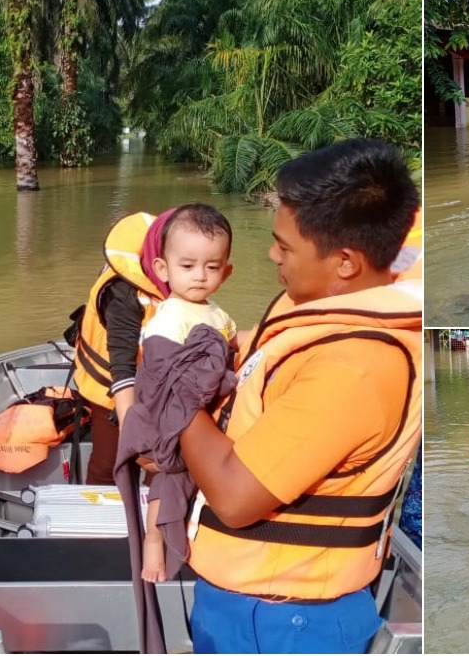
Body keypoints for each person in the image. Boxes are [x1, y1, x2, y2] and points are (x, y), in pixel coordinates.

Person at [173, 138, 422, 654]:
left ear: (346, 262)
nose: (271, 255)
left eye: (284, 247)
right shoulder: (323, 298)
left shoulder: (355, 367)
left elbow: (236, 498)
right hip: (252, 603)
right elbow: (266, 356)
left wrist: (173, 388)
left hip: (283, 620)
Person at [121, 204, 239, 584]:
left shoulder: (218, 315)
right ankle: (154, 539)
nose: (200, 277)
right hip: (166, 416)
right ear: (162, 268)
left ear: (227, 270)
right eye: (187, 266)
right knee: (171, 477)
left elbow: (230, 352)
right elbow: (162, 378)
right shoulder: (170, 317)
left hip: (200, 412)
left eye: (212, 267)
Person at [72, 209, 176, 485]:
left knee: (162, 465)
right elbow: (122, 368)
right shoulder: (122, 294)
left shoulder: (180, 285)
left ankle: (151, 520)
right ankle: (99, 522)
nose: (199, 276)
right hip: (111, 385)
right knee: (110, 462)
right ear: (158, 263)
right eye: (186, 265)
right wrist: (134, 430)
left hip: (156, 385)